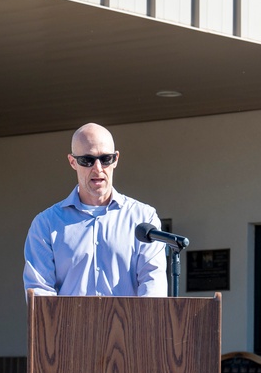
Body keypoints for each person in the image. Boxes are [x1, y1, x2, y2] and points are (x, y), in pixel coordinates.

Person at [23, 123, 168, 297]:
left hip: (128, 324)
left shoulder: (143, 218)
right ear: (72, 162)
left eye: (106, 159)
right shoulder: (46, 224)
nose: (98, 168)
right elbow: (40, 291)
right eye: (87, 160)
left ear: (116, 159)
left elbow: (153, 284)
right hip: (68, 325)